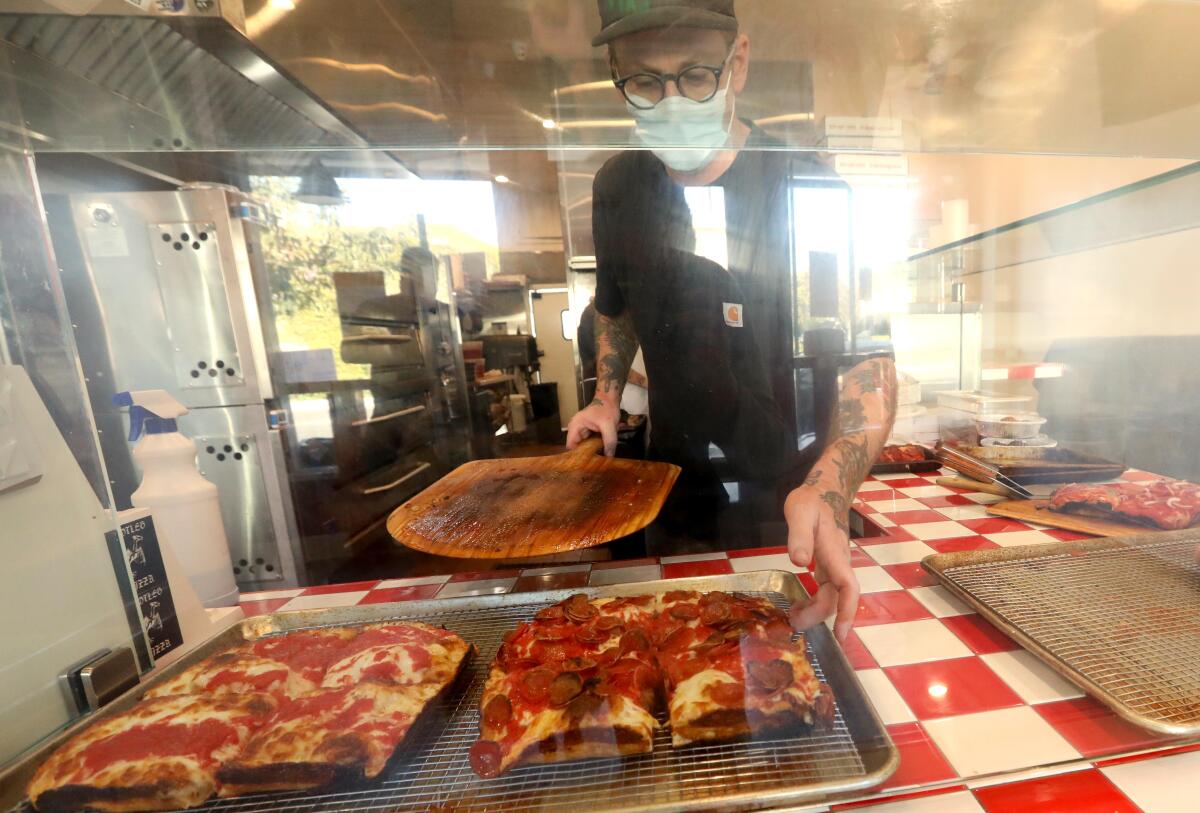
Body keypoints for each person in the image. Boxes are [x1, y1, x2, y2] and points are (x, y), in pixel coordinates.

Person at [565, 0, 897, 642]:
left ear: (737, 62)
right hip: (664, 487)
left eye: (694, 76)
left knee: (777, 667)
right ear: (615, 75)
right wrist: (606, 399)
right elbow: (615, 306)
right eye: (643, 82)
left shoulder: (807, 189)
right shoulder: (618, 186)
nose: (670, 102)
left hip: (788, 499)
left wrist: (828, 491)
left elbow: (870, 365)